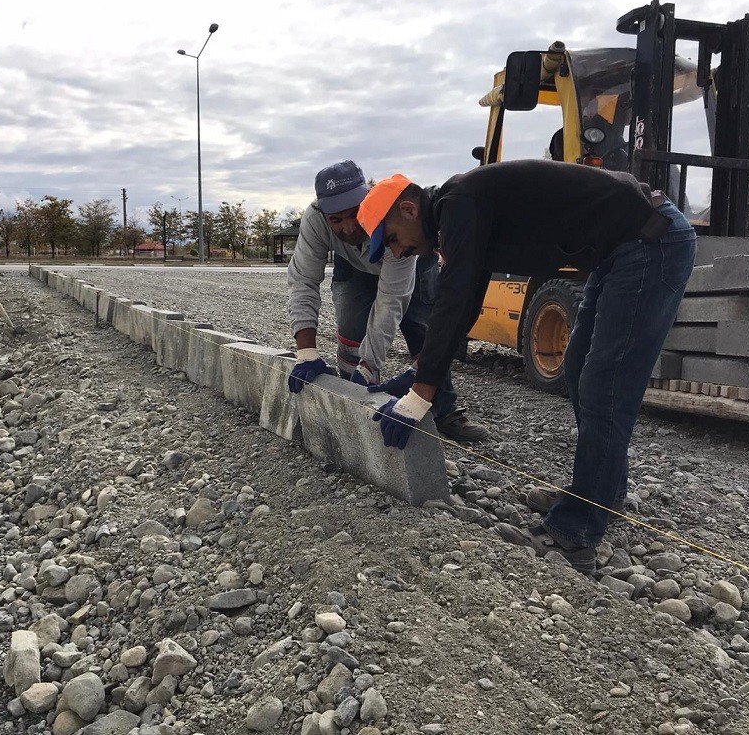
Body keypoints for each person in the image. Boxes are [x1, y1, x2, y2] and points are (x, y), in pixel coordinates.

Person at [356, 159, 695, 572]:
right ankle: (600, 492)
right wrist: (421, 376)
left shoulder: (460, 202)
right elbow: (465, 303)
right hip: (621, 248)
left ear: (408, 210)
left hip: (651, 241)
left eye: (391, 238)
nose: (397, 251)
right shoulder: (459, 210)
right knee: (577, 369)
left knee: (605, 384)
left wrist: (420, 396)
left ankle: (578, 531)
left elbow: (456, 295)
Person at [285, 160, 488, 443]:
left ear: (367, 199)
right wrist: (306, 353)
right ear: (324, 214)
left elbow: (391, 300)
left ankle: (442, 408)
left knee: (424, 329)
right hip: (353, 265)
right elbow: (303, 280)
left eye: (354, 214)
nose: (348, 228)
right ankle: (354, 398)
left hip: (409, 257)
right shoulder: (316, 218)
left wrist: (370, 363)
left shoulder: (393, 218)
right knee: (351, 326)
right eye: (336, 220)